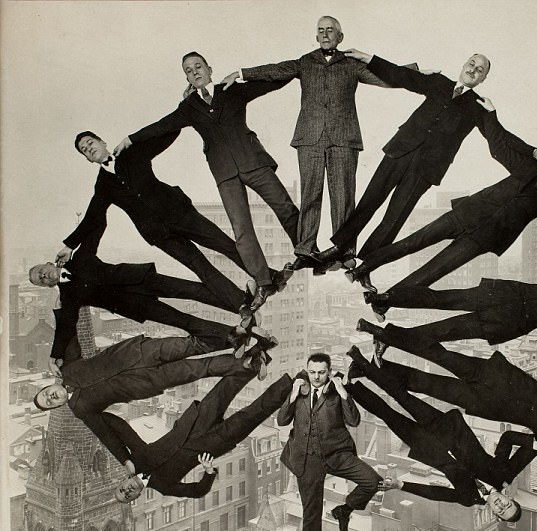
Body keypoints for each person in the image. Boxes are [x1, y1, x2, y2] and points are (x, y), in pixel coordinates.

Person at [114, 51, 299, 314]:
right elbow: (161, 126)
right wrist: (130, 139)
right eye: (189, 71)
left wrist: (246, 73)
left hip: (254, 162)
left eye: (198, 66)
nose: (195, 72)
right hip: (225, 175)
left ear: (209, 69)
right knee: (241, 230)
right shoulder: (188, 107)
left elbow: (274, 81)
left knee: (284, 206)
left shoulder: (231, 90)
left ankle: (305, 252)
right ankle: (264, 281)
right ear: (187, 78)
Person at [356, 105, 537, 303]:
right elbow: (499, 146)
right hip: (466, 213)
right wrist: (493, 115)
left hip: (484, 239)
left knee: (432, 272)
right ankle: (363, 269)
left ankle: (384, 301)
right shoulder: (530, 165)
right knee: (413, 242)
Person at [222, 16, 397, 261]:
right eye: (321, 31)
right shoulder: (305, 62)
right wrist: (241, 73)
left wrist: (417, 74)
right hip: (309, 138)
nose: (325, 34)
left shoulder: (351, 64)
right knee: (310, 194)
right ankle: (305, 249)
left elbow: (385, 78)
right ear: (316, 37)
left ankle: (345, 251)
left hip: (344, 140)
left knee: (344, 197)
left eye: (331, 30)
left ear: (340, 37)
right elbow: (275, 70)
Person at [311, 50, 493, 283]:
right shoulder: (439, 82)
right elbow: (399, 76)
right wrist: (368, 58)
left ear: (483, 79)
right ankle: (339, 249)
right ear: (464, 63)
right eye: (472, 63)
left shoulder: (479, 107)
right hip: (400, 150)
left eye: (480, 70)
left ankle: (365, 265)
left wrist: (527, 148)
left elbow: (498, 138)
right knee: (370, 200)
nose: (473, 70)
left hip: (427, 169)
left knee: (394, 218)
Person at [357, 203, 537, 361]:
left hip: (500, 324)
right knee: (439, 298)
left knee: (439, 332)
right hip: (493, 295)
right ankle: (385, 298)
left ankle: (387, 336)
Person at [56, 130, 251, 322]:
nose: (88, 149)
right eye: (84, 150)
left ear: (102, 142)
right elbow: (92, 218)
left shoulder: (131, 154)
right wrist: (69, 246)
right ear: (88, 160)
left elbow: (166, 135)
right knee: (201, 267)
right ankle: (241, 303)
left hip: (180, 214)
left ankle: (267, 278)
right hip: (158, 234)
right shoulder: (103, 186)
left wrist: (133, 138)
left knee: (224, 244)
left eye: (90, 143)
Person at [347, 345, 537, 516]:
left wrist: (401, 485)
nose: (501, 506)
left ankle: (350, 386)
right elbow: (509, 439)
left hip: (426, 446)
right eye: (508, 505)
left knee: (387, 414)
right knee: (402, 396)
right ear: (509, 499)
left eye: (501, 512)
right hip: (446, 428)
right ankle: (363, 363)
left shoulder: (468, 499)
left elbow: (436, 494)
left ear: (495, 514)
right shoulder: (503, 475)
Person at [33, 332, 272, 462]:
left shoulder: (68, 368)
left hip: (138, 352)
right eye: (49, 402)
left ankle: (241, 333)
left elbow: (68, 333)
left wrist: (55, 352)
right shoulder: (81, 409)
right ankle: (252, 359)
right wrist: (126, 460)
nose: (51, 397)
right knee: (199, 369)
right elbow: (106, 434)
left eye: (46, 394)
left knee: (190, 344)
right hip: (146, 383)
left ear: (48, 387)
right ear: (57, 406)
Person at [29, 241, 247, 374]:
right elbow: (65, 327)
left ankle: (242, 303)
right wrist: (54, 356)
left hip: (142, 280)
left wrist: (70, 245)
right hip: (135, 306)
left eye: (41, 271)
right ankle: (233, 336)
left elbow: (96, 226)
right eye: (41, 280)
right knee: (183, 321)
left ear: (49, 264)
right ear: (46, 286)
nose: (44, 276)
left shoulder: (78, 259)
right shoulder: (68, 297)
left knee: (191, 290)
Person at [361, 336, 537, 444]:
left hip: (482, 402)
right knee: (442, 356)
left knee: (427, 384)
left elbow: (516, 439)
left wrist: (535, 445)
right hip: (494, 375)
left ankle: (376, 366)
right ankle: (388, 336)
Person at [277, 353, 381, 531]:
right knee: (310, 511)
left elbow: (353, 421)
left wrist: (344, 393)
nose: (316, 377)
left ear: (329, 371)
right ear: (307, 370)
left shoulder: (336, 392)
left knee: (372, 480)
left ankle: (345, 510)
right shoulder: (300, 391)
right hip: (307, 457)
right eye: (312, 372)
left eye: (321, 372)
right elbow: (281, 421)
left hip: (337, 453)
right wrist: (293, 395)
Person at [112, 370, 293, 500]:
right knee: (253, 414)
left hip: (195, 423)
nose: (127, 491)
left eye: (122, 489)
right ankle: (292, 382)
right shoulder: (164, 487)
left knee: (225, 388)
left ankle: (256, 358)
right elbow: (197, 491)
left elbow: (123, 430)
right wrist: (208, 471)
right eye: (128, 496)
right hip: (214, 444)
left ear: (124, 480)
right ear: (136, 496)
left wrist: (98, 416)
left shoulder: (137, 459)